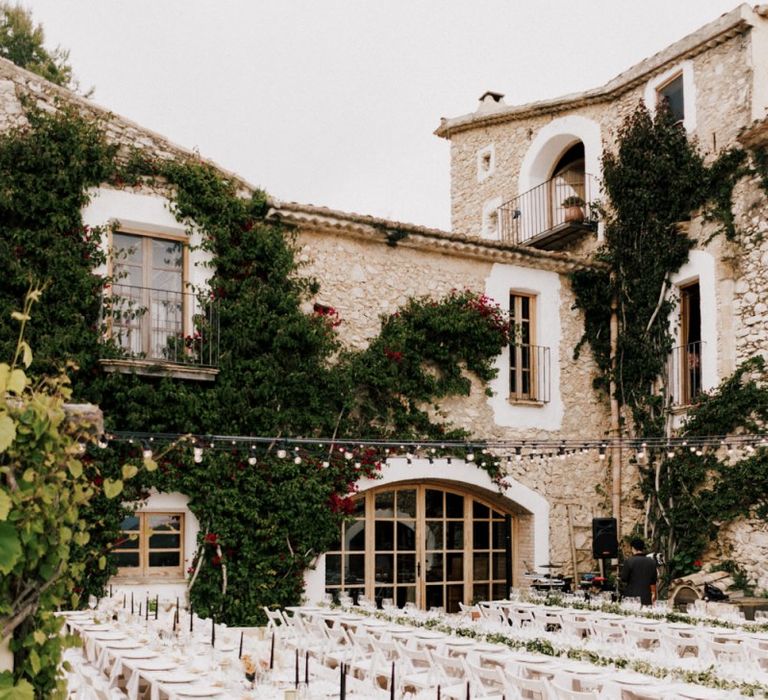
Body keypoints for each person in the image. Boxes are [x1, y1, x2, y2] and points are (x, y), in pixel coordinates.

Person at [620, 537, 657, 605]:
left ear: (633, 548)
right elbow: (653, 581)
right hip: (647, 597)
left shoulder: (629, 561)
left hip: (631, 597)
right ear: (642, 548)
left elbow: (624, 579)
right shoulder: (652, 562)